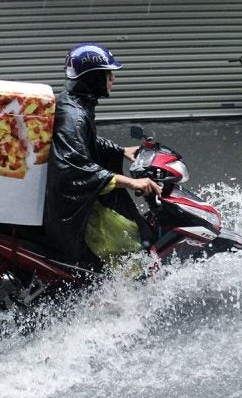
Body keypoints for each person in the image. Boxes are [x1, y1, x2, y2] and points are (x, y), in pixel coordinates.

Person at [43, 43, 162, 267]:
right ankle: (114, 297)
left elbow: (84, 142)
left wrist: (119, 151)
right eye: (108, 75)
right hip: (71, 208)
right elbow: (75, 168)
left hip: (69, 199)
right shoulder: (74, 115)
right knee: (133, 238)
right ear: (93, 78)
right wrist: (131, 182)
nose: (112, 80)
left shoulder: (74, 104)